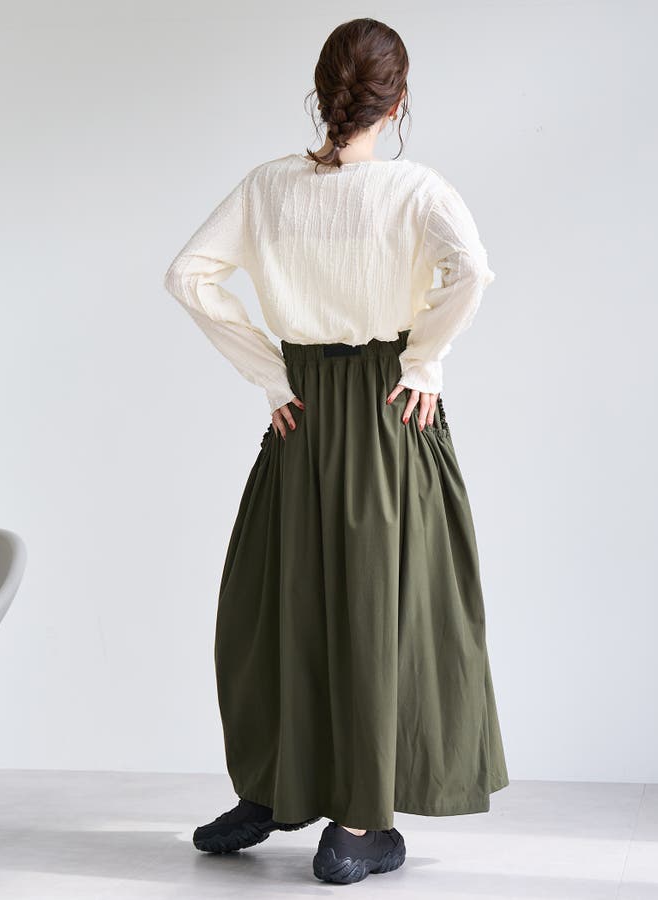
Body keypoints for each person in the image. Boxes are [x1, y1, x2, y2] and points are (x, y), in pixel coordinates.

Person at [163, 16, 508, 886]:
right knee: (372, 609)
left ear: (322, 94)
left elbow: (188, 275)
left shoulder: (268, 186)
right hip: (389, 410)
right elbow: (472, 271)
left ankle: (305, 800)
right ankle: (337, 817)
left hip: (308, 410)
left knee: (284, 601)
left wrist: (272, 377)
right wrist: (422, 361)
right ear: (398, 101)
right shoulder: (416, 189)